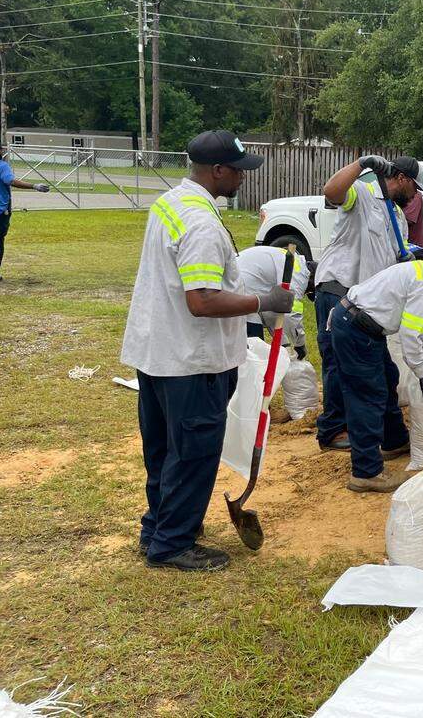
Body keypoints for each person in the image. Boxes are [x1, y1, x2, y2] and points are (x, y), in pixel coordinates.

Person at [120, 130, 293, 572]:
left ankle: (158, 528)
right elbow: (202, 301)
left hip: (158, 353)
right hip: (193, 361)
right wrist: (263, 301)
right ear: (217, 171)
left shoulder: (171, 203)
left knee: (163, 450)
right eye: (238, 171)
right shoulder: (200, 224)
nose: (242, 179)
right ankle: (173, 544)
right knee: (193, 452)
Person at [331, 252, 423, 491]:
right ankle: (366, 472)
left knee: (388, 379)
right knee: (367, 397)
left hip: (365, 328)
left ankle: (394, 441)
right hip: (356, 330)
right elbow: (409, 335)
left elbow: (420, 328)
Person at [313, 155, 423, 452]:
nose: (415, 195)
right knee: (337, 362)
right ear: (401, 179)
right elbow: (331, 192)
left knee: (376, 367)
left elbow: (389, 256)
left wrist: (404, 258)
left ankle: (378, 429)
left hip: (364, 303)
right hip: (339, 289)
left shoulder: (398, 215)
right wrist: (362, 164)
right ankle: (334, 430)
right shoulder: (362, 194)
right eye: (414, 186)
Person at [236, 245, 314, 355]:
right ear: (312, 279)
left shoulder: (294, 262)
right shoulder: (299, 275)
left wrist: (284, 345)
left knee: (256, 345)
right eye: (309, 291)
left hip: (243, 281)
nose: (306, 293)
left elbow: (272, 312)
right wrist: (300, 344)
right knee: (255, 346)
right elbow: (291, 314)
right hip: (241, 287)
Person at [0, 145, 50, 281]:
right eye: (1, 149)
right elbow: (10, 181)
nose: (3, 151)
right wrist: (34, 186)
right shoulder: (2, 166)